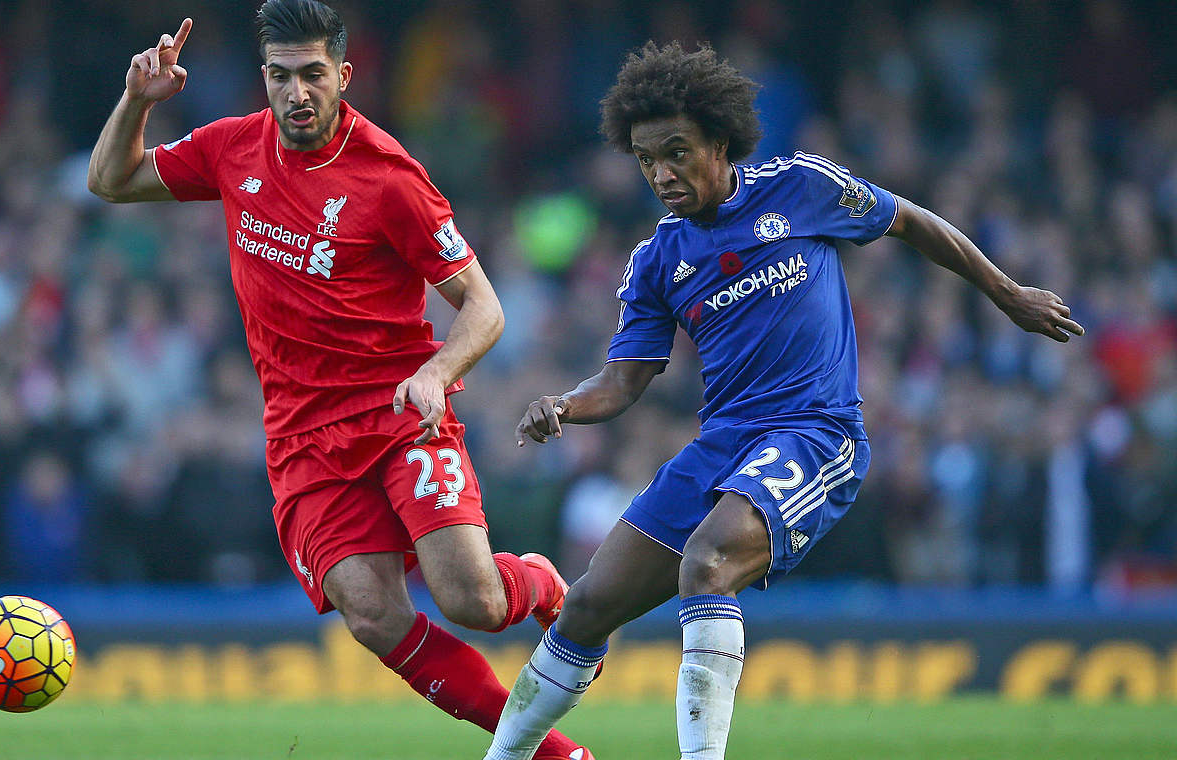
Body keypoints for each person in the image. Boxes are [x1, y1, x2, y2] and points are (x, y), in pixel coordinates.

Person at [483, 41, 1084, 760]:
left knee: (704, 564)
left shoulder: (800, 186)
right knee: (585, 605)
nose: (662, 174)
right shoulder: (659, 260)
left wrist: (1008, 294)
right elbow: (623, 381)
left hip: (815, 432)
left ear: (719, 139)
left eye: (676, 152)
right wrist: (564, 404)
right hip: (724, 444)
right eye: (646, 161)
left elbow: (913, 220)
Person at [87, 3, 592, 758]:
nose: (297, 93)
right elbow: (112, 181)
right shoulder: (232, 148)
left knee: (475, 602)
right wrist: (138, 100)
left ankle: (539, 581)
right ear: (264, 77)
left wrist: (437, 372)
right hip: (303, 439)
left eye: (313, 75)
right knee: (372, 614)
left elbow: (484, 306)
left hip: (398, 413)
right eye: (281, 76)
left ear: (343, 77)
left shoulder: (388, 178)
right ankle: (558, 756)